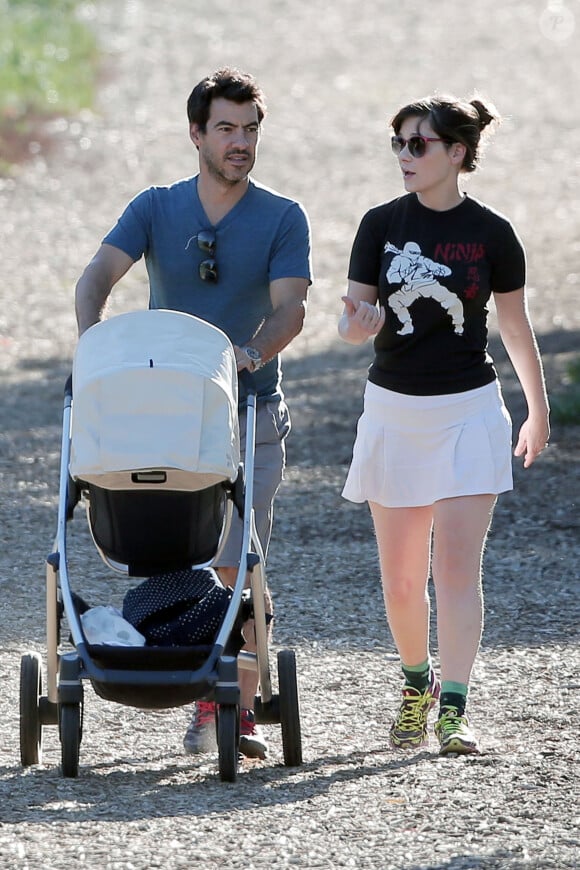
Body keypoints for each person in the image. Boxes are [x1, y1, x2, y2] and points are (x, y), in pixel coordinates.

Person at [75, 67, 312, 759]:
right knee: (179, 556)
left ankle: (228, 707)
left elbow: (291, 305)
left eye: (250, 131)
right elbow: (95, 278)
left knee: (239, 562)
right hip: (163, 414)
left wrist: (254, 351)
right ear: (197, 135)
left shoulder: (280, 216)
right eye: (227, 130)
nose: (240, 143)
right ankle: (194, 677)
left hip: (250, 409)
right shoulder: (156, 207)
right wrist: (94, 345)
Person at [338, 94, 549, 755]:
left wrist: (537, 409)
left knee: (456, 572)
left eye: (418, 144)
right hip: (393, 412)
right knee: (402, 580)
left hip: (468, 412)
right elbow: (350, 320)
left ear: (456, 153)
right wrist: (356, 327)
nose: (405, 155)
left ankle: (454, 709)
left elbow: (513, 326)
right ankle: (415, 684)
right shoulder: (379, 225)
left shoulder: (492, 235)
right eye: (398, 143)